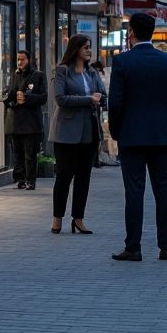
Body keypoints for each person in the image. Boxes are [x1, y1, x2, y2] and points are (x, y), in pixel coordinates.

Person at [107, 13, 167, 262]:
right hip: (163, 136)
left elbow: (115, 103)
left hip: (132, 136)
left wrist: (116, 131)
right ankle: (165, 247)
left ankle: (133, 247)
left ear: (131, 32)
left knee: (134, 192)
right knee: (164, 190)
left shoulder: (122, 62)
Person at [49, 35, 106, 235]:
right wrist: (88, 99)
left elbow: (103, 95)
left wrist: (100, 98)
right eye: (85, 47)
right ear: (76, 49)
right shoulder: (62, 70)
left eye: (90, 47)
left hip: (89, 131)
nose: (89, 50)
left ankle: (78, 219)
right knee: (64, 175)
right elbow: (60, 99)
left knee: (84, 176)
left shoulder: (92, 72)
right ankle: (57, 218)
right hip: (66, 132)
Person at [4, 50, 47, 190]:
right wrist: (8, 100)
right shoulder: (15, 75)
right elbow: (10, 93)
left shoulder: (38, 76)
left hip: (30, 122)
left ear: (29, 60)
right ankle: (20, 179)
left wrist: (27, 98)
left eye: (22, 59)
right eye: (18, 59)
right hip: (15, 121)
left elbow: (43, 97)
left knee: (30, 154)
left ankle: (30, 180)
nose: (20, 62)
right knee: (18, 153)